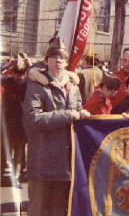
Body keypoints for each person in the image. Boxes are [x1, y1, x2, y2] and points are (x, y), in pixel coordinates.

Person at [22, 37, 91, 216]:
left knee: (59, 210)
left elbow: (77, 110)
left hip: (66, 164)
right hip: (42, 162)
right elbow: (33, 119)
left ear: (67, 62)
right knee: (38, 209)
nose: (58, 60)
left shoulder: (73, 87)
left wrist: (83, 114)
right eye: (53, 56)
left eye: (62, 57)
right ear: (46, 61)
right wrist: (69, 115)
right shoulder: (37, 85)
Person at [1, 56, 28, 187]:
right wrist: (8, 67)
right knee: (7, 152)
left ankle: (15, 176)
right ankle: (9, 176)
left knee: (17, 152)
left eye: (22, 74)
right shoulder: (8, 81)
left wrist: (8, 67)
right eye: (18, 73)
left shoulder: (24, 83)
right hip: (10, 123)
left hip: (17, 124)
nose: (20, 77)